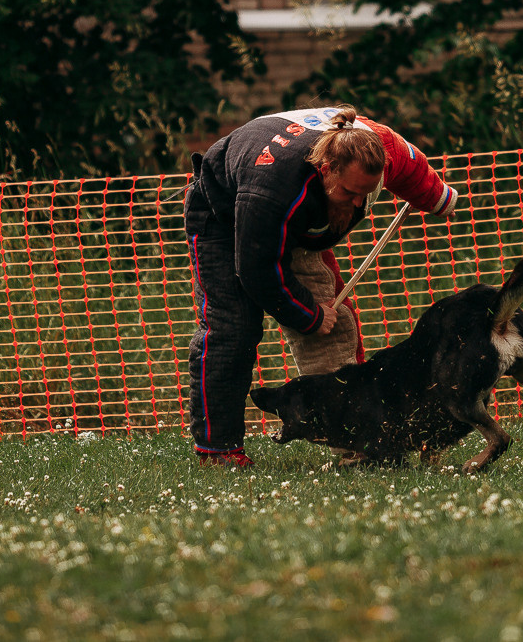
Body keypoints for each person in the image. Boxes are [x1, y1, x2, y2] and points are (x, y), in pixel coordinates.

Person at [183, 105, 459, 466]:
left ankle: (358, 443)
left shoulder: (378, 148)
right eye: (349, 193)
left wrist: (438, 198)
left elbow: (412, 165)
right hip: (224, 218)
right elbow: (257, 270)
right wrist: (309, 315)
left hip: (295, 224)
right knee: (233, 330)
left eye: (368, 193)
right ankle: (218, 450)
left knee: (337, 327)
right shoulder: (273, 188)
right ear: (326, 169)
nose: (360, 203)